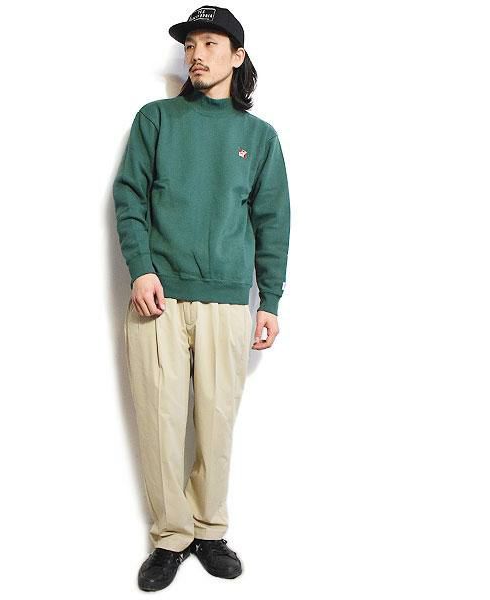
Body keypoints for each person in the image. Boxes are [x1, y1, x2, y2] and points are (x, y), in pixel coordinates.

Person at [113, 5, 291, 592]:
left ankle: (210, 530)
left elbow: (272, 221)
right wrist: (141, 270)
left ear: (237, 56)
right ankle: (171, 536)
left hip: (226, 301)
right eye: (191, 44)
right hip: (158, 298)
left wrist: (270, 300)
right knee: (160, 421)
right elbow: (130, 196)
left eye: (211, 43)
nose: (197, 54)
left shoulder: (258, 137)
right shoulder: (156, 119)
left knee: (216, 423)